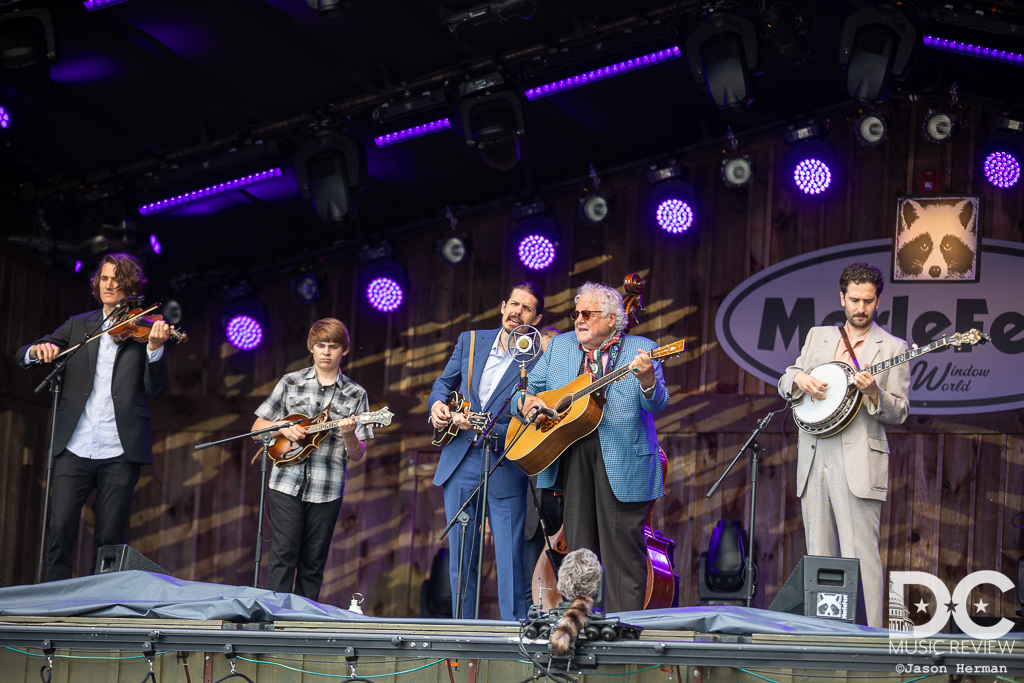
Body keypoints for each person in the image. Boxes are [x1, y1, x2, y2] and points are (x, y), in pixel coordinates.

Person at [15, 252, 172, 581]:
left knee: (109, 541)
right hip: (76, 444)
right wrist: (35, 351)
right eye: (104, 278)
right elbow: (25, 354)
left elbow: (156, 390)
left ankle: (99, 611)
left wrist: (156, 349)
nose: (110, 285)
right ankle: (54, 602)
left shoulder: (143, 327)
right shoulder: (80, 325)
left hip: (120, 447)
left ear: (130, 286)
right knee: (59, 533)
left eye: (117, 279)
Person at [522, 282, 668, 613]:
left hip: (622, 458)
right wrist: (528, 402)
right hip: (571, 453)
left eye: (588, 313)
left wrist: (646, 381)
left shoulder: (642, 349)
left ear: (613, 318)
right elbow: (529, 389)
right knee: (578, 554)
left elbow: (658, 403)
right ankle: (579, 630)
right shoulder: (559, 347)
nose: (579, 319)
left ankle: (624, 632)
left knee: (623, 555)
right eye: (576, 313)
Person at [778, 262, 909, 628]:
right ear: (842, 298)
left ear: (878, 300)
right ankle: (822, 633)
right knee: (819, 552)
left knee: (861, 553)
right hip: (815, 453)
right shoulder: (818, 336)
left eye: (868, 301)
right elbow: (787, 376)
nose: (860, 308)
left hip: (859, 459)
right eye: (854, 300)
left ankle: (869, 638)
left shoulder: (894, 347)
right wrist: (799, 378)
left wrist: (875, 393)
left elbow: (899, 412)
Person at [429, 281, 545, 620]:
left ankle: (513, 638)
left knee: (510, 559)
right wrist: (438, 406)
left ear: (535, 320)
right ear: (502, 306)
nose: (516, 311)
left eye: (526, 308)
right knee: (462, 558)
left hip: (506, 462)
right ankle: (462, 633)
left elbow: (531, 409)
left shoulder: (539, 358)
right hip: (461, 458)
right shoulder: (471, 340)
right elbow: (442, 383)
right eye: (513, 303)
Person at [252, 318, 372, 601]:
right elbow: (257, 430)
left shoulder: (356, 394)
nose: (326, 352)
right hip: (285, 481)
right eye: (321, 346)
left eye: (333, 346)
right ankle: (273, 623)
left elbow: (357, 455)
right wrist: (282, 427)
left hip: (327, 488)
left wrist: (349, 436)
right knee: (283, 553)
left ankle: (303, 629)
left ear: (344, 350)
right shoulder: (290, 382)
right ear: (311, 348)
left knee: (313, 562)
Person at [523, 327, 564, 603]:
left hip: (565, 500)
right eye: (541, 358)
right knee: (531, 587)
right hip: (533, 504)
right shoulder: (528, 404)